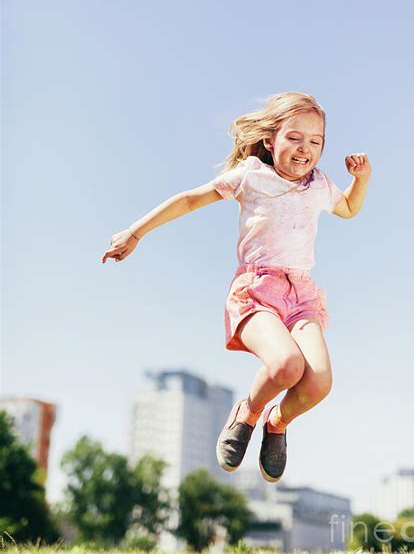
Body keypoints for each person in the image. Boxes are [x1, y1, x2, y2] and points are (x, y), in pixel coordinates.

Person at [101, 91, 372, 483]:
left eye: (316, 142)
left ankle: (276, 424)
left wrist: (360, 180)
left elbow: (348, 208)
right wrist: (134, 232)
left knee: (318, 383)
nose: (305, 149)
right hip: (258, 290)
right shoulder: (250, 176)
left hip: (301, 297)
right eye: (294, 138)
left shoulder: (319, 184)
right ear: (270, 140)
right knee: (286, 366)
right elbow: (192, 199)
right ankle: (248, 412)